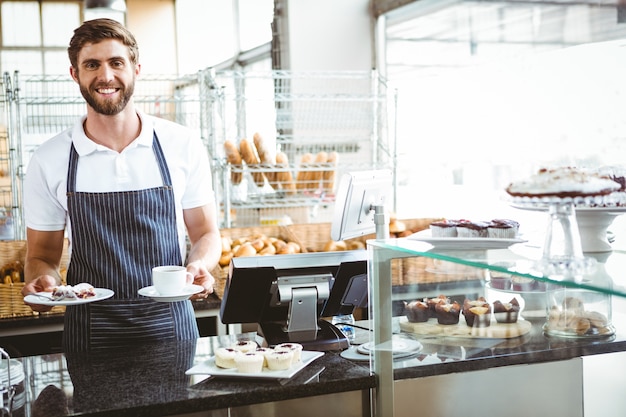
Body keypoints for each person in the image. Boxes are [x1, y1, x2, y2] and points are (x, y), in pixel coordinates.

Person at [21, 18, 222, 352]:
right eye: (92, 65)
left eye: (116, 63)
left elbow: (205, 233)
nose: (106, 76)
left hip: (171, 327)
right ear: (75, 74)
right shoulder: (49, 158)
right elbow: (41, 254)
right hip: (90, 334)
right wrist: (47, 283)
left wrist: (199, 264)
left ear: (136, 69)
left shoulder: (180, 144)